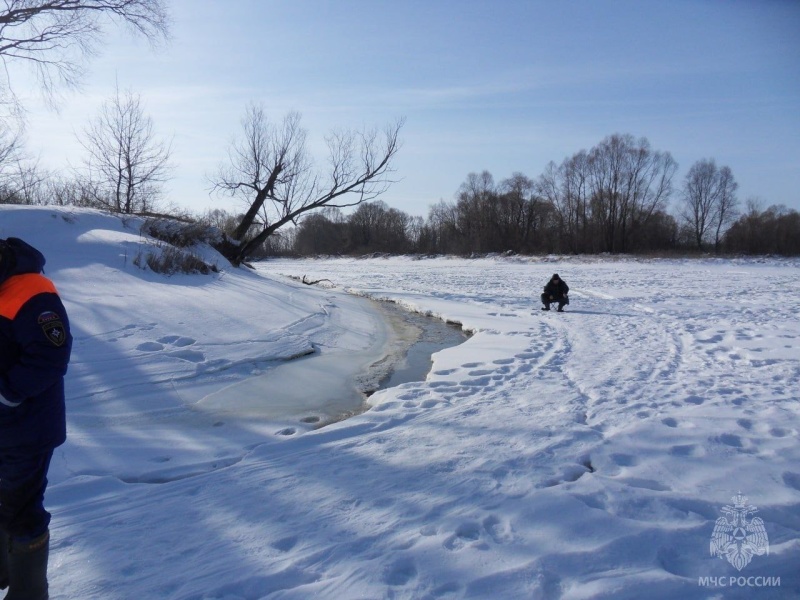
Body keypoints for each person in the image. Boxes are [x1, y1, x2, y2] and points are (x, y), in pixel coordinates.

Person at [0, 238, 72, 600]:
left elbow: (51, 355)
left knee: (22, 508)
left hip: (26, 428)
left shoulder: (32, 292)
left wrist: (7, 393)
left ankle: (29, 592)